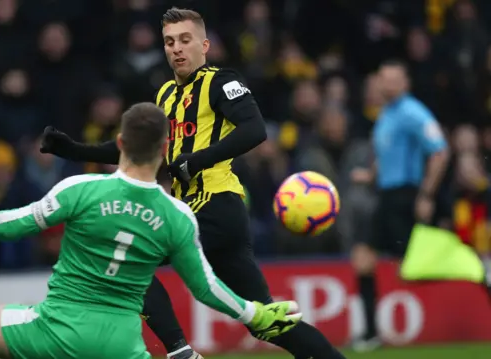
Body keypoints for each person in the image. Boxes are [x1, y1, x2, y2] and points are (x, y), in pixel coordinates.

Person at [40, 7, 346, 359]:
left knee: (126, 262)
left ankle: (179, 351)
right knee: (264, 320)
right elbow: (137, 151)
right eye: (170, 42)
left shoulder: (221, 81)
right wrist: (74, 149)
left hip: (217, 206)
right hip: (197, 214)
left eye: (185, 40)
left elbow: (254, 130)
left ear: (204, 46)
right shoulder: (165, 96)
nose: (177, 49)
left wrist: (195, 161)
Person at [0, 102, 303, 359]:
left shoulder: (82, 189)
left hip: (54, 331)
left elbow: (16, 224)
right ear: (166, 148)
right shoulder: (178, 215)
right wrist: (257, 313)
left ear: (121, 142)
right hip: (121, 346)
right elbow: (205, 287)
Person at [349, 60, 450, 351]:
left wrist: (426, 195)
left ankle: (475, 270)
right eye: (384, 79)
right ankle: (370, 333)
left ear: (405, 83)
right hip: (386, 196)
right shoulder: (387, 114)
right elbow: (388, 155)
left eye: (393, 79)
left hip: (405, 196)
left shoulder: (412, 112)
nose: (387, 84)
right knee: (363, 258)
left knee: (417, 265)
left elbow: (440, 152)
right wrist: (370, 175)